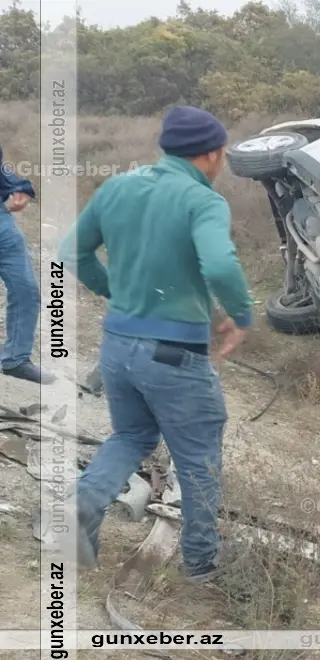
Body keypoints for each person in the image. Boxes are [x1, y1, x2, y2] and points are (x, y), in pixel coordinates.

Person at [58, 105, 254, 582]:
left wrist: (113, 291)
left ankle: (81, 510)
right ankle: (202, 565)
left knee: (131, 436)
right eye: (224, 152)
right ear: (210, 154)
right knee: (198, 457)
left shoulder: (119, 187)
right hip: (173, 354)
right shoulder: (202, 200)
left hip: (119, 346)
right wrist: (242, 315)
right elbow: (222, 267)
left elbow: (71, 251)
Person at [0, 144, 56, 383]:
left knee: (27, 291)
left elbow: (7, 177)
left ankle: (16, 360)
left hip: (4, 230)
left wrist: (21, 191)